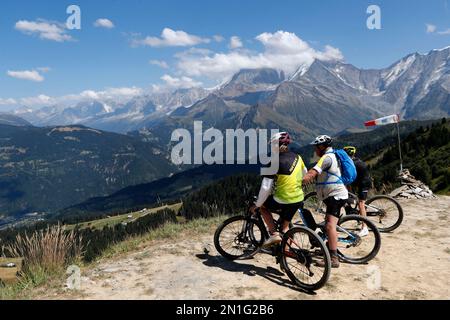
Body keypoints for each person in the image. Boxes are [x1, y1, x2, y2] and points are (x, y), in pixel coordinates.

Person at [250, 132, 307, 248]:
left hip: (283, 199)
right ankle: (285, 254)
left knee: (263, 207)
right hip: (298, 198)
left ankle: (273, 233)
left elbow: (266, 188)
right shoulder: (298, 157)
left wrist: (257, 204)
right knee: (285, 228)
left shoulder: (273, 162)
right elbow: (305, 173)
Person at [302, 135, 349, 268]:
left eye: (316, 147)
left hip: (335, 195)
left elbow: (313, 172)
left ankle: (333, 258)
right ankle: (330, 245)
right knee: (329, 223)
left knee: (329, 225)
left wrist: (299, 182)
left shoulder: (326, 158)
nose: (315, 150)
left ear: (321, 147)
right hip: (334, 195)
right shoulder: (331, 156)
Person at [343, 146, 372, 237]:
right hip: (361, 182)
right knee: (347, 185)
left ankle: (365, 228)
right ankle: (351, 199)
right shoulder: (355, 160)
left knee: (361, 204)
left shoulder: (352, 163)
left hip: (364, 183)